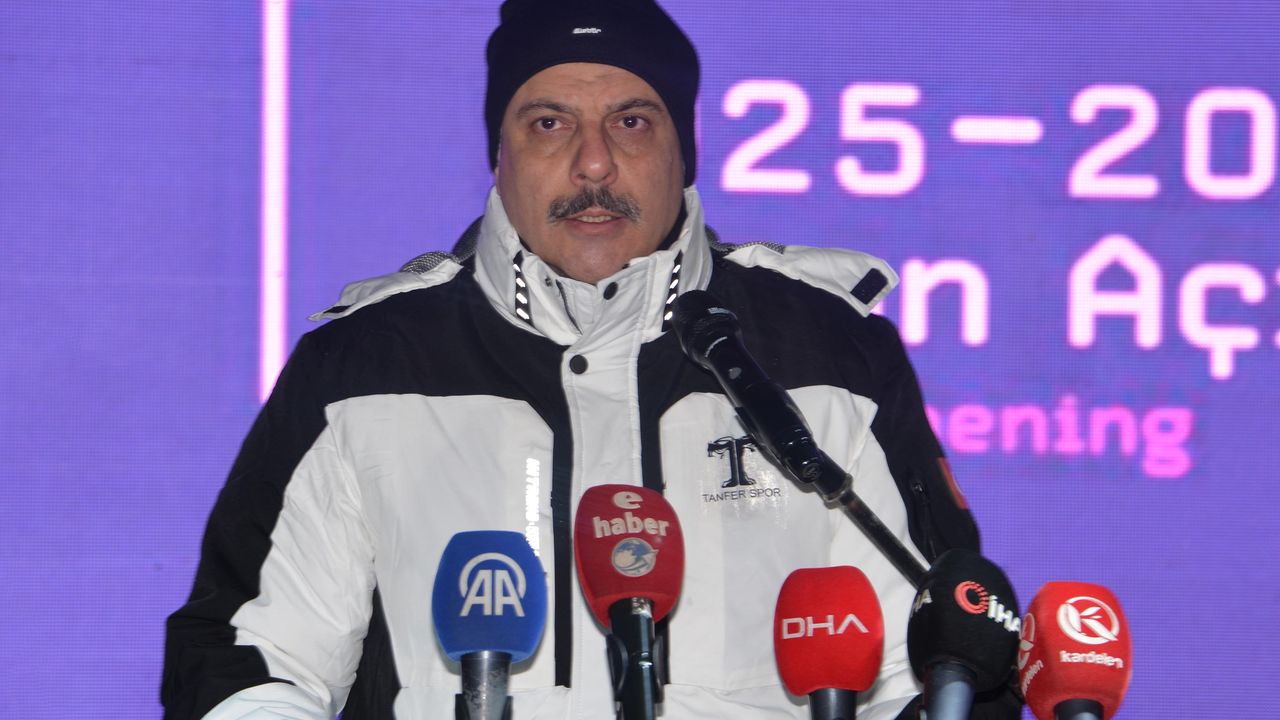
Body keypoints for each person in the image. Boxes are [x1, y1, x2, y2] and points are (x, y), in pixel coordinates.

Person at [163, 1, 1019, 718]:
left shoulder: (830, 352)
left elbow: (936, 664)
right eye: (549, 123)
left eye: (631, 122)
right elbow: (252, 663)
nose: (595, 162)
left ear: (684, 150)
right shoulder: (363, 364)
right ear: (498, 155)